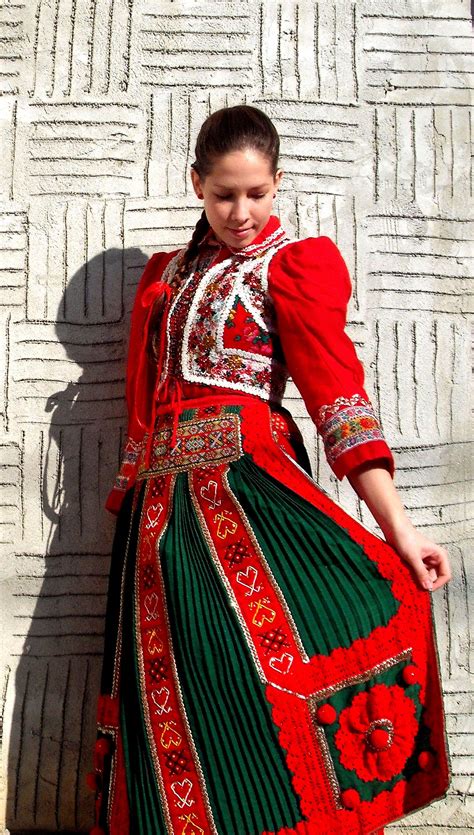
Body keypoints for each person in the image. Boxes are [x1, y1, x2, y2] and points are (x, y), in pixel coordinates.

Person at [88, 105, 451, 835]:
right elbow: (144, 400)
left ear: (278, 183)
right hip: (160, 525)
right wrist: (130, 500)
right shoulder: (167, 278)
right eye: (224, 194)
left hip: (246, 500)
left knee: (261, 683)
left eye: (257, 193)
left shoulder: (293, 265)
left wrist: (400, 530)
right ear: (197, 184)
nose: (242, 212)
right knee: (183, 696)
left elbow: (336, 395)